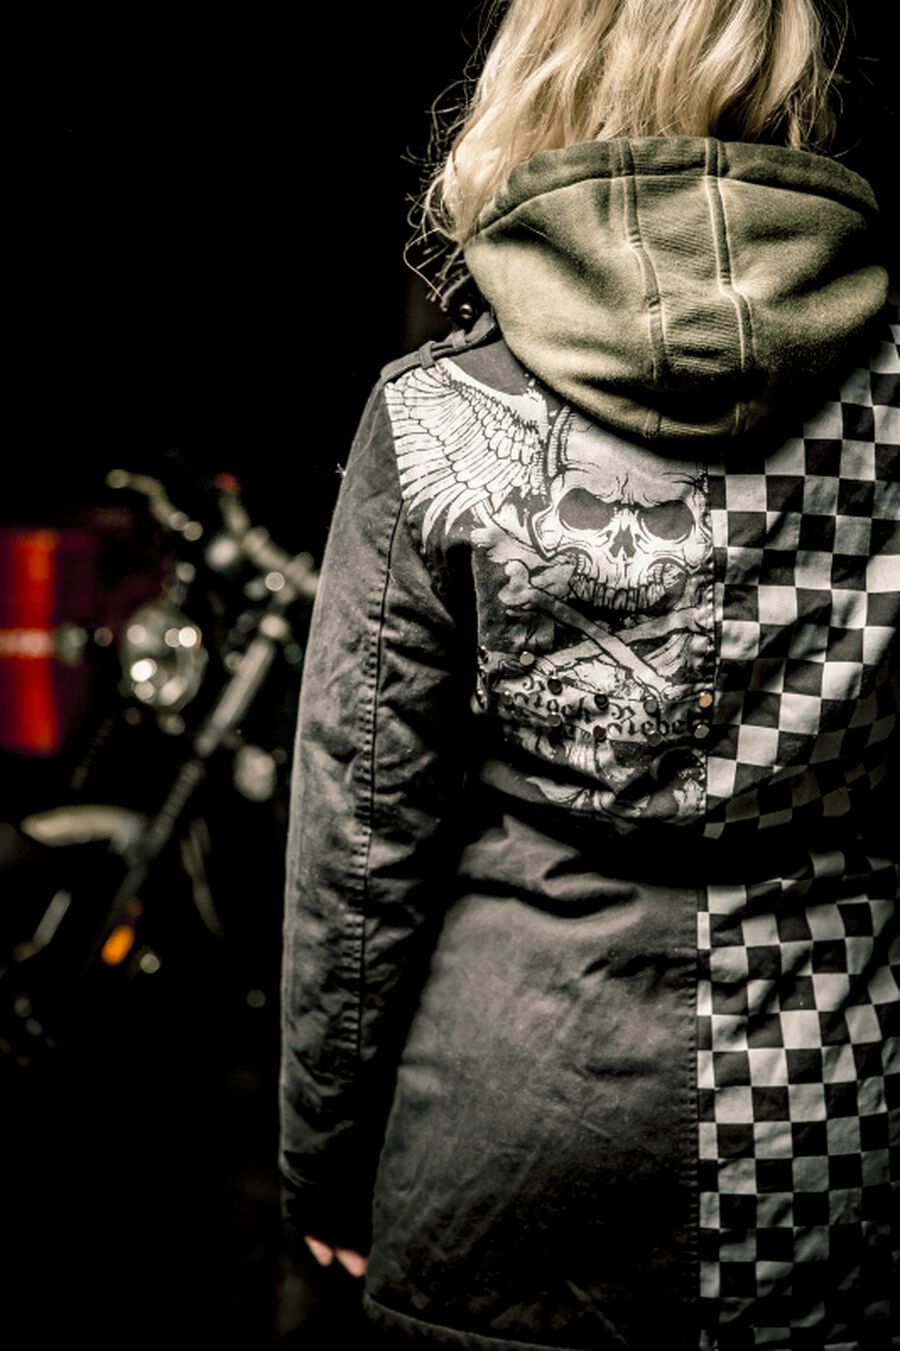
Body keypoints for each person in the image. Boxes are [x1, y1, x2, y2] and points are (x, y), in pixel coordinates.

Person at [279, 1, 898, 1346]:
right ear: (784, 73)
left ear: (538, 74)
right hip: (831, 1129)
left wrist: (322, 1156)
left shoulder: (436, 413)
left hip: (504, 1142)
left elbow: (362, 840)